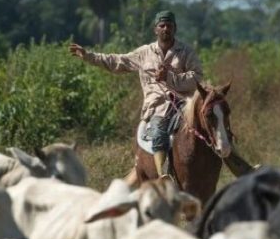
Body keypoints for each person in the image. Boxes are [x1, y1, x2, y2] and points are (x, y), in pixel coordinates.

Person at [69, 10, 201, 178]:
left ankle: (233, 161)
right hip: (158, 107)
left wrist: (170, 78)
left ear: (175, 28)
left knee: (211, 120)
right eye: (162, 25)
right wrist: (89, 56)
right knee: (159, 131)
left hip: (185, 103)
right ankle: (163, 176)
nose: (166, 29)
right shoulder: (144, 53)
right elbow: (117, 61)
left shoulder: (186, 52)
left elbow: (196, 77)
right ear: (156, 29)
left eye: (169, 25)